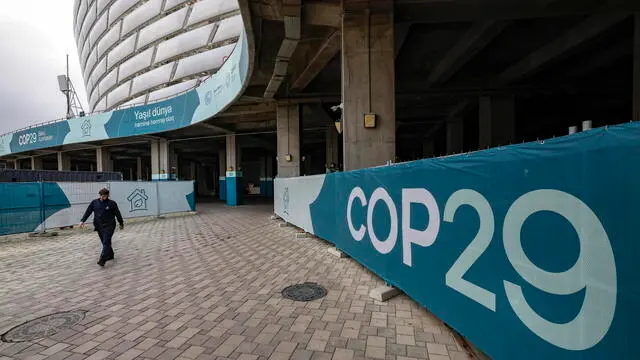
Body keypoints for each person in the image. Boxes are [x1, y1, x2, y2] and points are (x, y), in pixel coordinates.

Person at [80, 188, 124, 266]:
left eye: (105, 196)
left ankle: (102, 259)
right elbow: (88, 211)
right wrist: (82, 220)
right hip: (98, 225)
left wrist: (121, 223)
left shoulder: (112, 203)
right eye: (102, 196)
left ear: (108, 196)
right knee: (105, 242)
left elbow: (118, 213)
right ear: (100, 195)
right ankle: (110, 255)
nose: (103, 198)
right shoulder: (94, 202)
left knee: (106, 241)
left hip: (109, 225)